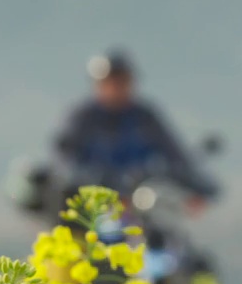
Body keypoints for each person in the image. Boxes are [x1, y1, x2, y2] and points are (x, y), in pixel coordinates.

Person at [52, 50, 219, 212]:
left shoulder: (146, 117)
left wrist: (199, 188)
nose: (117, 88)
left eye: (123, 81)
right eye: (111, 82)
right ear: (98, 85)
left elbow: (176, 157)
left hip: (141, 207)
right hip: (92, 209)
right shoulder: (82, 117)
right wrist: (105, 183)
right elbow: (65, 162)